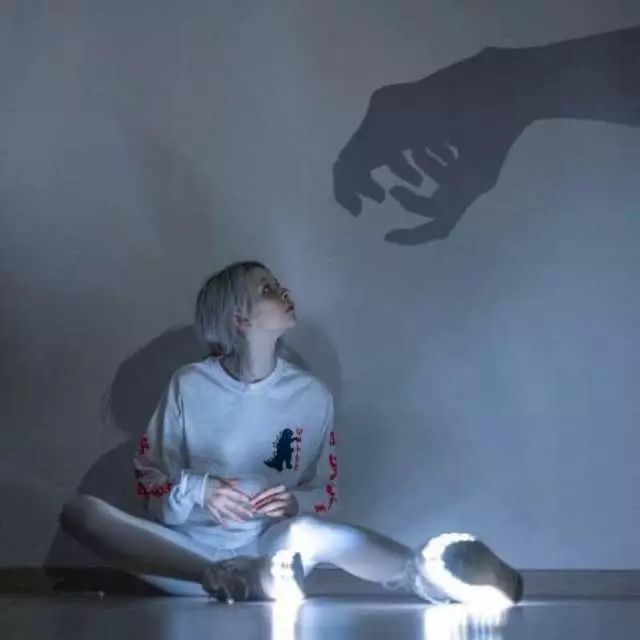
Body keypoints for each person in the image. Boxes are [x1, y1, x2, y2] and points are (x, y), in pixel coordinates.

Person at [61, 260, 522, 604]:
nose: (284, 292)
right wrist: (201, 491)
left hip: (272, 545)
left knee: (307, 531)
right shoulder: (188, 385)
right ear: (240, 319)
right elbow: (150, 485)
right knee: (82, 512)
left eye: (278, 285)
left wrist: (294, 502)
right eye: (267, 289)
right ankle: (230, 578)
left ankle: (427, 573)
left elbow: (325, 491)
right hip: (187, 557)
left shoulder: (311, 396)